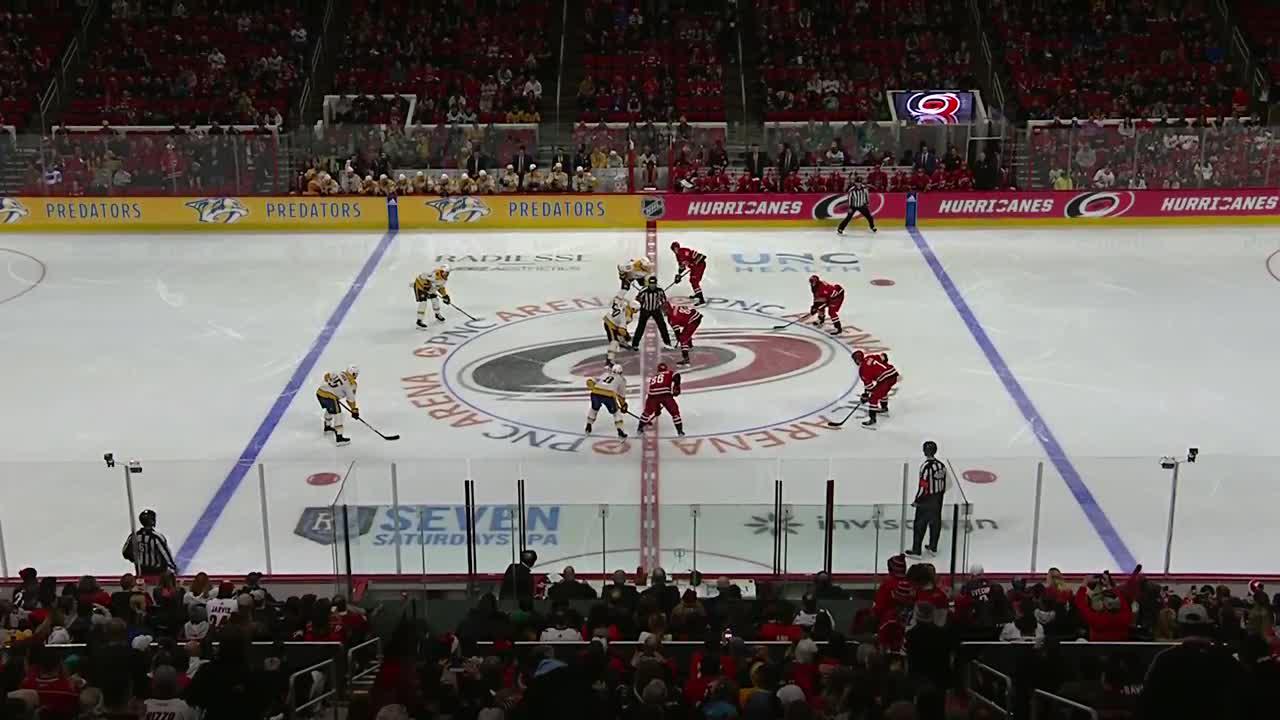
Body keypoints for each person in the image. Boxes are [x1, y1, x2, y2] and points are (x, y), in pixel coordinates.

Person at [906, 440, 947, 556]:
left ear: (925, 451)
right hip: (938, 498)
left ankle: (916, 550)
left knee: (920, 524)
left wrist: (917, 500)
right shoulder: (941, 465)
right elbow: (945, 483)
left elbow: (923, 485)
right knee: (935, 523)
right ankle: (933, 547)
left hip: (926, 499)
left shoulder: (925, 467)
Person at [122, 509, 178, 576]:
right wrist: (174, 568)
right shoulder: (156, 537)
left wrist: (136, 560)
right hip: (157, 573)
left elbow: (125, 552)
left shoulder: (134, 536)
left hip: (141, 571)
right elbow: (166, 556)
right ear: (152, 521)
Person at [852, 350, 899, 427]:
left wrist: (866, 397)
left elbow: (870, 388)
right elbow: (884, 356)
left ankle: (872, 419)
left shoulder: (862, 370)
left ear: (856, 360)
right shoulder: (870, 357)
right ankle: (884, 408)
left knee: (874, 398)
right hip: (893, 374)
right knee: (881, 390)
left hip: (886, 380)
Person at [315, 365, 360, 445]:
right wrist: (354, 410)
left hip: (320, 393)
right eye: (356, 374)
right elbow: (350, 400)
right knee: (338, 414)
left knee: (330, 409)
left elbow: (327, 376)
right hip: (330, 397)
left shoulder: (339, 373)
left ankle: (327, 426)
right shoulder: (350, 385)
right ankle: (339, 438)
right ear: (353, 374)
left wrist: (333, 389)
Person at [637, 362, 684, 436]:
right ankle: (680, 431)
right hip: (665, 395)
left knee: (647, 412)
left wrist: (657, 410)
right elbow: (677, 376)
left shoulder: (654, 376)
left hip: (652, 395)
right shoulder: (669, 373)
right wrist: (676, 387)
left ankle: (640, 428)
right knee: (675, 413)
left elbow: (654, 392)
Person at [585, 364, 629, 439]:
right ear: (621, 372)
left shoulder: (605, 375)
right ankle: (620, 431)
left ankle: (588, 425)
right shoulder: (622, 380)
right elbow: (621, 396)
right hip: (609, 395)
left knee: (594, 409)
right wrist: (623, 405)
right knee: (616, 412)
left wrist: (594, 388)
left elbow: (590, 381)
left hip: (595, 393)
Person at [631, 276, 672, 350]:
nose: (652, 286)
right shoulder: (643, 291)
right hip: (645, 310)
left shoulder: (660, 291)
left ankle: (667, 342)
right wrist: (637, 305)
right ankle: (635, 344)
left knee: (662, 326)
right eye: (651, 284)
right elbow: (637, 300)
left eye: (654, 284)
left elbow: (663, 300)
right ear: (649, 284)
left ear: (656, 284)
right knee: (640, 327)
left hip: (656, 309)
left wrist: (665, 310)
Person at [412, 264, 452, 328]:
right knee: (423, 302)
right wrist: (425, 285)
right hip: (420, 287)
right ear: (441, 271)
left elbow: (440, 287)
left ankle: (437, 314)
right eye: (445, 272)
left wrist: (445, 296)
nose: (446, 274)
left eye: (448, 273)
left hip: (431, 289)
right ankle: (419, 320)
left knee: (435, 300)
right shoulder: (433, 274)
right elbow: (420, 277)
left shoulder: (444, 280)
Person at [603, 292, 638, 365]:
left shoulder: (624, 305)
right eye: (636, 310)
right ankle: (610, 359)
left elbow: (617, 299)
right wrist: (627, 336)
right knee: (614, 341)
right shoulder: (626, 317)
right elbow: (621, 330)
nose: (637, 312)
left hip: (614, 321)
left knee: (620, 334)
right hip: (610, 324)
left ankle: (622, 342)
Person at [664, 300, 702, 366]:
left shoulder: (671, 318)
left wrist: (678, 338)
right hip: (694, 317)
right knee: (686, 333)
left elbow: (677, 331)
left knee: (683, 338)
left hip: (693, 320)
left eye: (664, 309)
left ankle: (686, 358)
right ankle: (690, 345)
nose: (663, 311)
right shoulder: (675, 308)